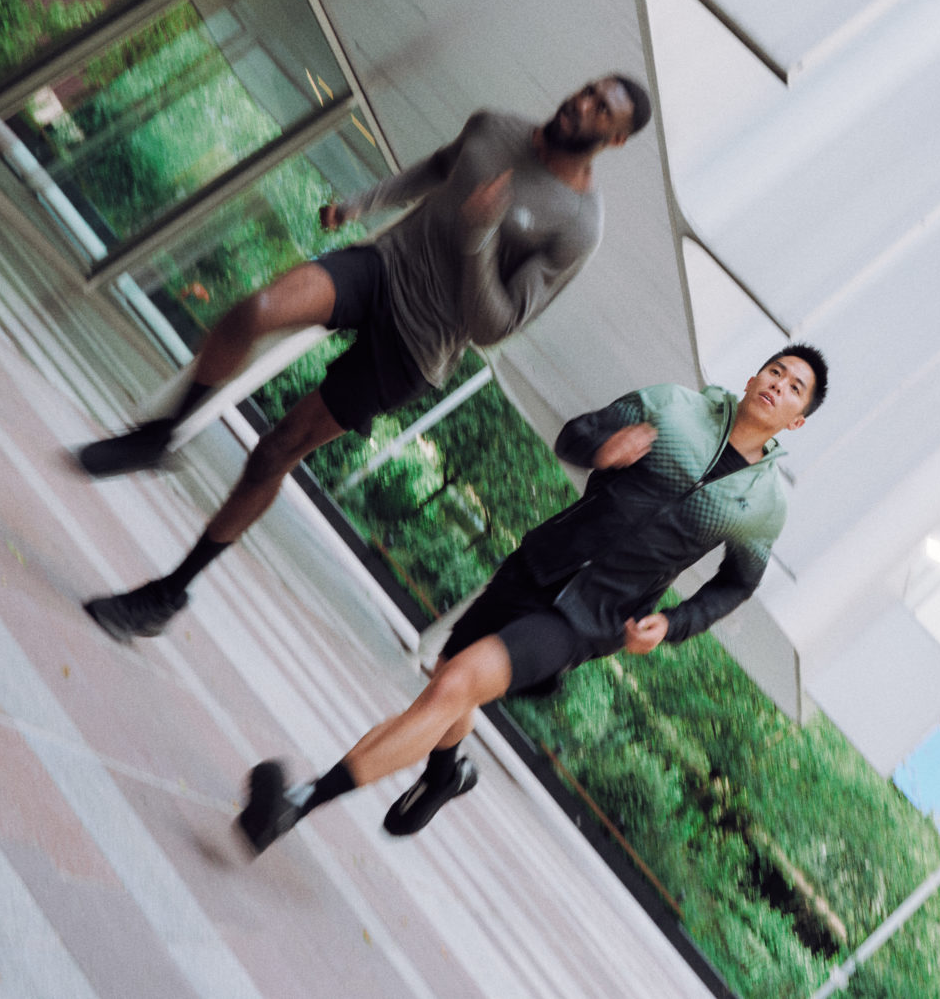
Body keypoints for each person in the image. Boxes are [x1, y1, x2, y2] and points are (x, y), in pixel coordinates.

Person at [75, 74, 653, 642]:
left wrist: (480, 236)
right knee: (255, 311)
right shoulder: (494, 126)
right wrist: (362, 204)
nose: (583, 103)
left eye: (602, 109)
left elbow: (493, 327)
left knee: (275, 451)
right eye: (588, 91)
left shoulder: (579, 226)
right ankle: (161, 436)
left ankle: (167, 594)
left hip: (419, 345)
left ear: (617, 139)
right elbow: (441, 166)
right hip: (385, 266)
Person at [235, 344, 826, 852]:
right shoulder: (673, 407)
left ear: (796, 421)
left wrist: (674, 623)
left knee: (452, 685)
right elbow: (577, 433)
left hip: (590, 619)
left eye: (794, 387)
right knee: (449, 677)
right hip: (539, 565)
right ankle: (444, 775)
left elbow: (736, 584)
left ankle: (296, 803)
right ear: (754, 376)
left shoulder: (764, 505)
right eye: (775, 371)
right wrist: (603, 448)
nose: (779, 384)